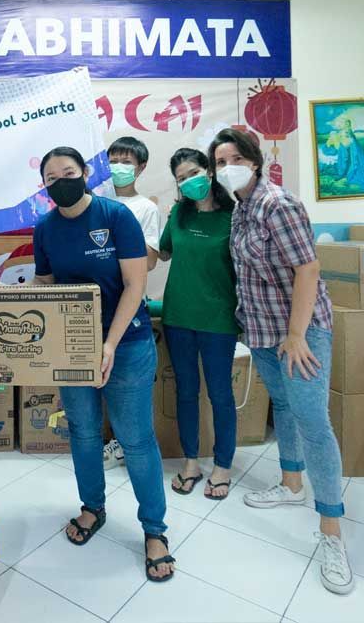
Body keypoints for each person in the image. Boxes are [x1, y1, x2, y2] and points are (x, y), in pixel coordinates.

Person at [214, 128, 355, 594]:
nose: (227, 166)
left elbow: (308, 269)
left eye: (234, 157)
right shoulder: (240, 210)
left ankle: (332, 533)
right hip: (261, 329)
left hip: (299, 331)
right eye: (220, 161)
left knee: (314, 420)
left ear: (254, 160)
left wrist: (297, 335)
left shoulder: (279, 204)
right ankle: (292, 484)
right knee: (286, 407)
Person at [31, 146, 174, 582]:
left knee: (135, 439)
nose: (61, 182)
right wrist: (10, 295)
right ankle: (93, 507)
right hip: (72, 351)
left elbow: (135, 285)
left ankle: (154, 530)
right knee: (84, 432)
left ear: (87, 173)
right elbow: (45, 285)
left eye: (69, 172)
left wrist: (109, 343)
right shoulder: (45, 228)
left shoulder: (116, 217)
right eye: (51, 178)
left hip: (126, 346)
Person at [158, 148, 239, 500]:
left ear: (209, 171)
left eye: (193, 172)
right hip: (178, 317)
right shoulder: (177, 213)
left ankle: (223, 465)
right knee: (186, 391)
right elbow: (162, 252)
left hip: (219, 319)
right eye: (180, 178)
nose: (188, 181)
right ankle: (191, 461)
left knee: (221, 394)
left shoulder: (234, 216)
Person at [102, 136, 162, 472]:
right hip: (92, 306)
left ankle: (126, 445)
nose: (119, 167)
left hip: (128, 305)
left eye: (127, 161)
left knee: (126, 384)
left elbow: (150, 262)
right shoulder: (93, 200)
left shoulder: (146, 208)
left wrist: (124, 240)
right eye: (113, 160)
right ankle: (109, 441)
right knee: (98, 381)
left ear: (140, 167)